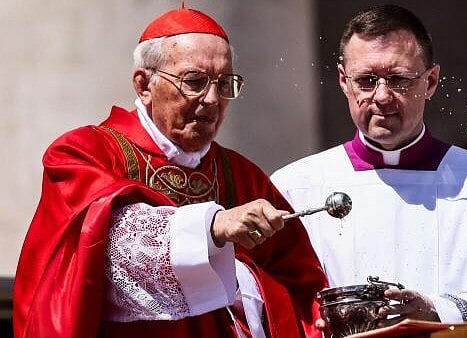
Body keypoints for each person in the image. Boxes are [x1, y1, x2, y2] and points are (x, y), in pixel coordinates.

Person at [13, 5, 327, 338]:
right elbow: (96, 258)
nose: (211, 99)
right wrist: (212, 228)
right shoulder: (84, 153)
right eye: (194, 81)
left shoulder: (243, 175)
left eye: (224, 84)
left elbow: (301, 288)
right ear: (144, 84)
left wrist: (247, 286)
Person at [271, 4, 467, 326]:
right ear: (343, 81)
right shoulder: (295, 186)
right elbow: (265, 301)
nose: (382, 96)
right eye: (365, 80)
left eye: (398, 79)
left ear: (430, 81)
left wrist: (435, 310)